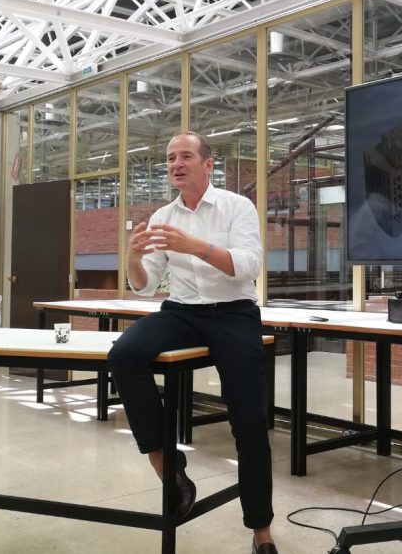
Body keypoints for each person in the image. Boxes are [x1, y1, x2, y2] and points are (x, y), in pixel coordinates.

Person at [108, 131, 278, 554]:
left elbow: (248, 265)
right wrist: (132, 260)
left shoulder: (237, 207)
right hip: (183, 311)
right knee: (125, 353)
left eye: (185, 156)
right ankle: (169, 466)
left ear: (208, 164)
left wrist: (198, 247)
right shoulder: (164, 216)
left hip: (234, 314)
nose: (175, 164)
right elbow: (145, 288)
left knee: (249, 421)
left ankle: (261, 530)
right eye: (169, 158)